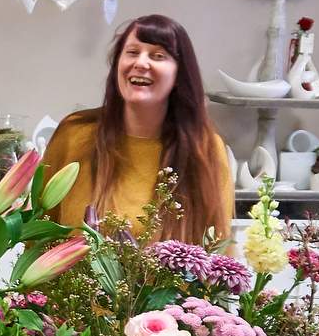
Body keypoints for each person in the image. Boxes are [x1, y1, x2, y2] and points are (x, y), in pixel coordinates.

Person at [42, 14, 232, 244]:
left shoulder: (205, 148)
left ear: (179, 74)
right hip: (68, 280)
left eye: (158, 55)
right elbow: (39, 234)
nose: (141, 63)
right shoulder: (74, 134)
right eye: (132, 52)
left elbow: (219, 252)